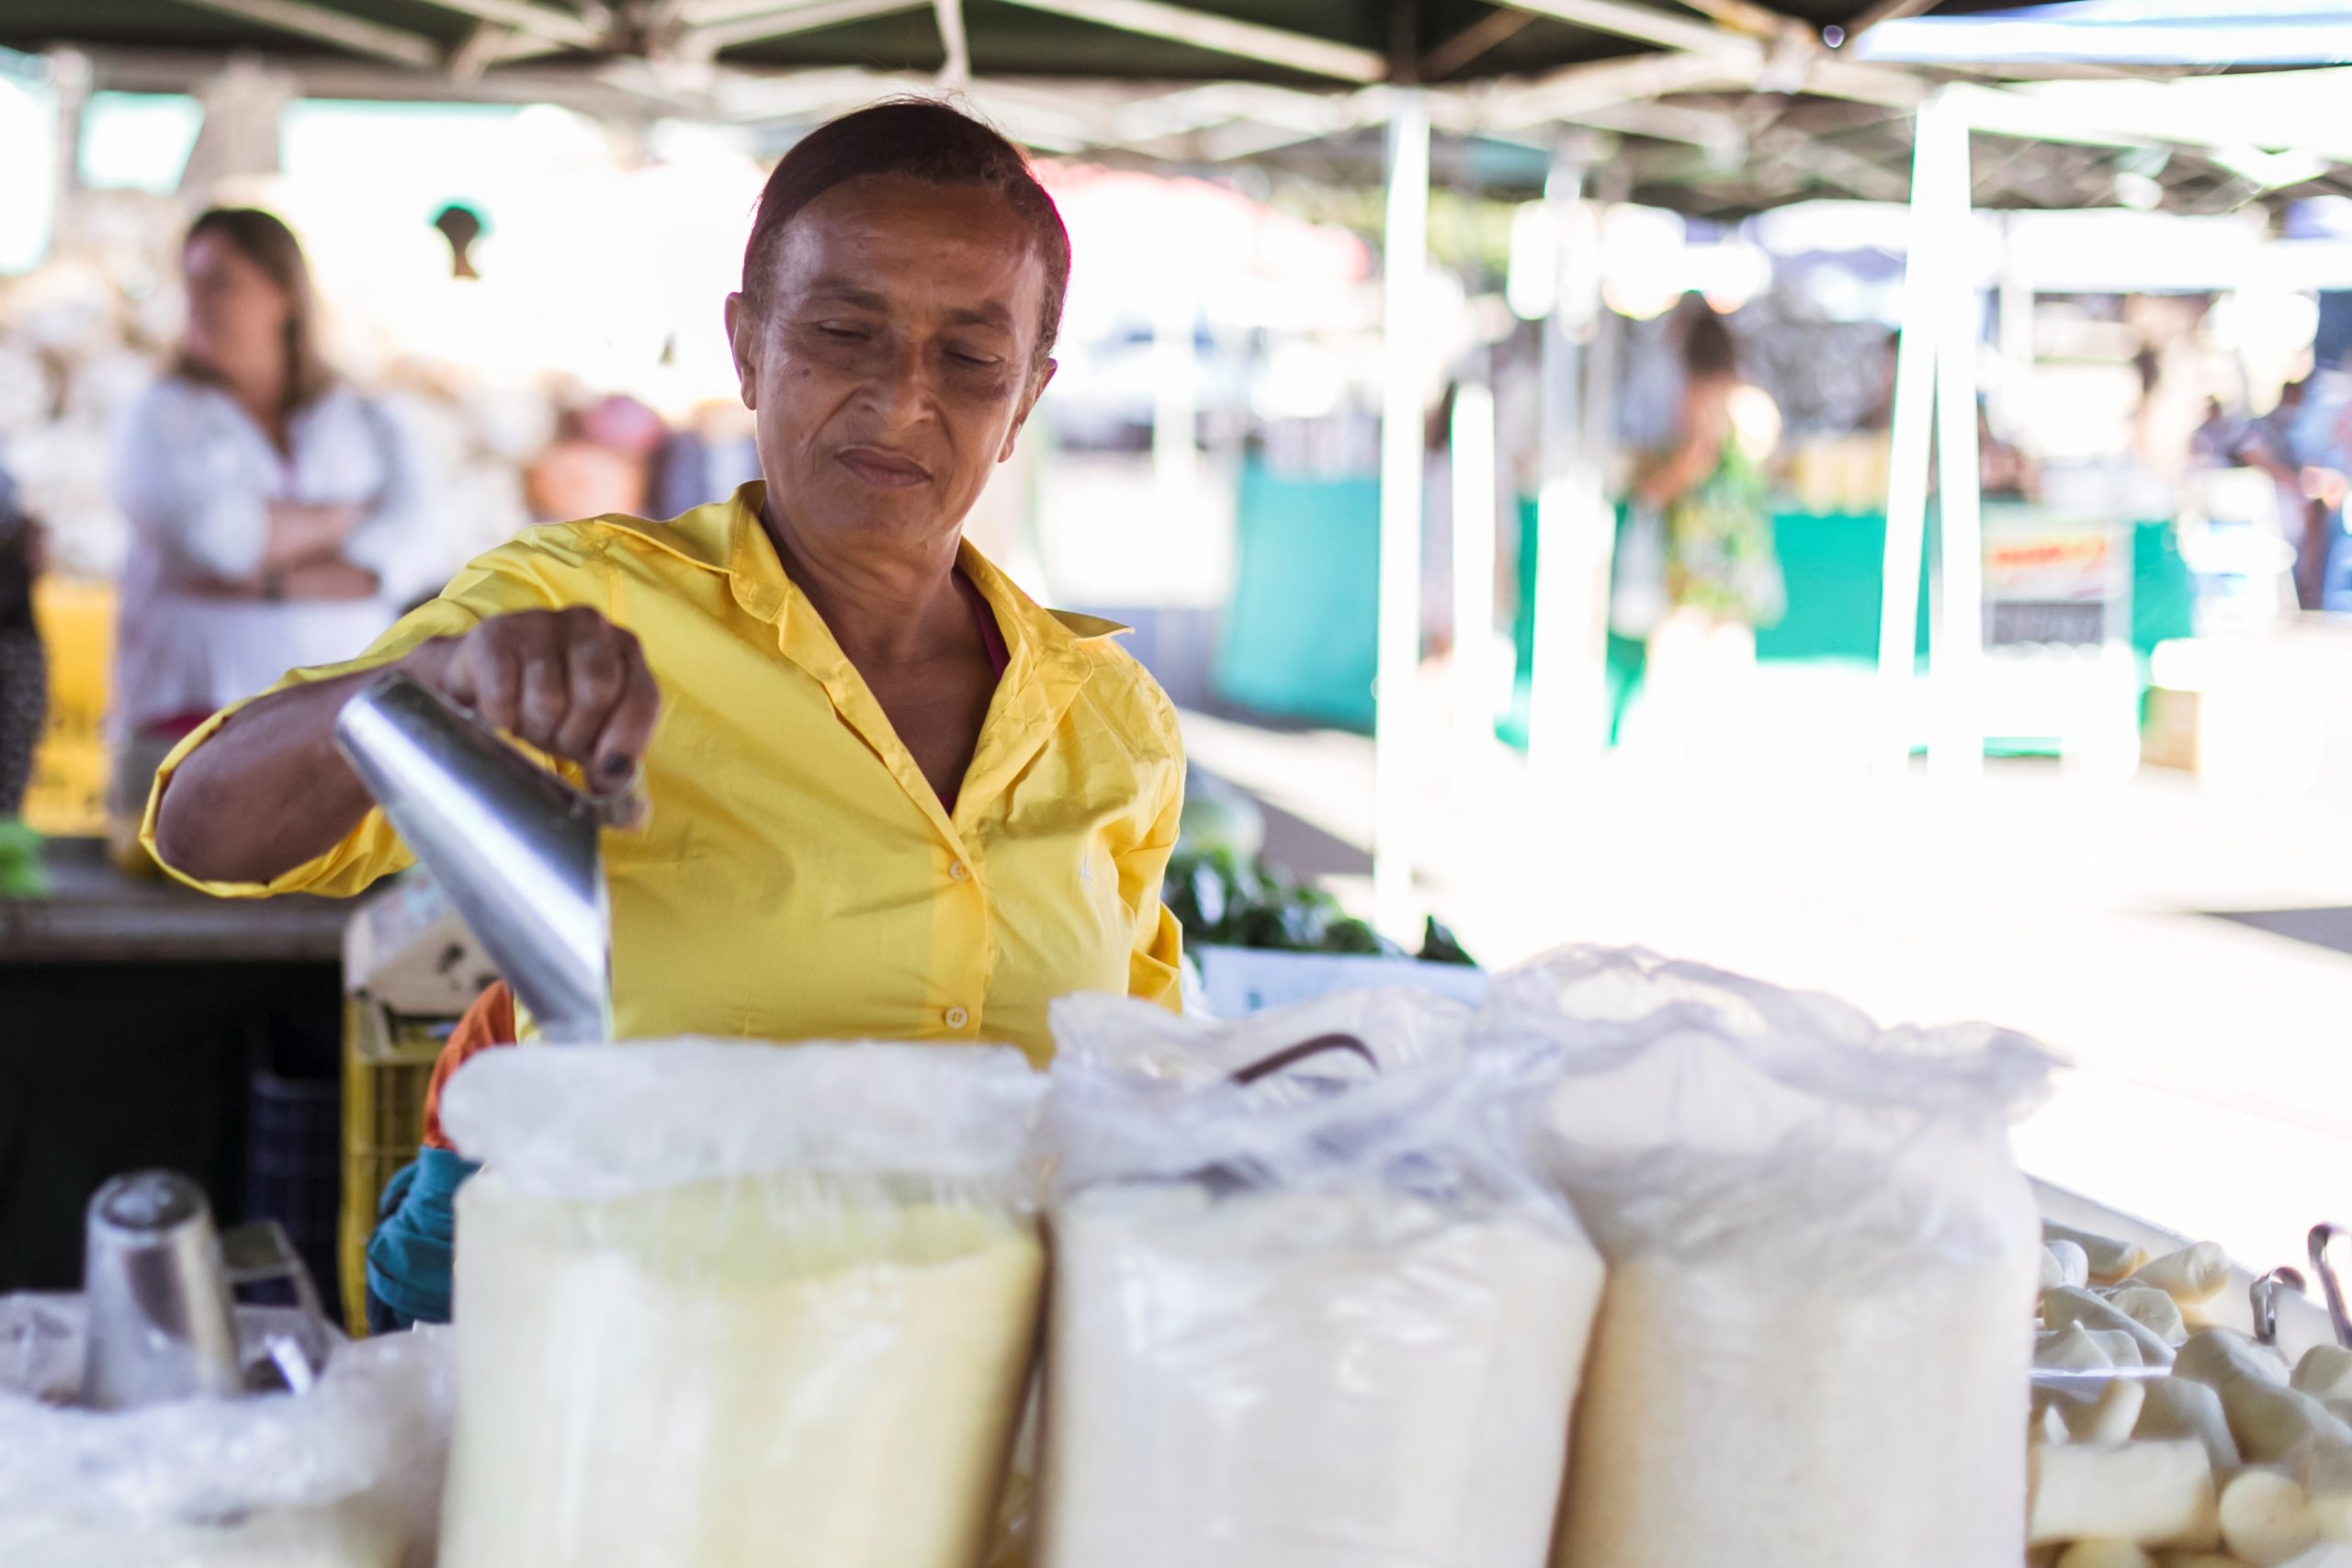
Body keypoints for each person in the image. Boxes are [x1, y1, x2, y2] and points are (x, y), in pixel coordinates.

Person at [145, 101, 1188, 1318]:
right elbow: (204, 829)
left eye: (969, 358)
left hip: (987, 1421)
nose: (902, 399)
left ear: (1026, 399)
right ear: (746, 347)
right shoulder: (579, 606)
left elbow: (1137, 1086)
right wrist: (433, 685)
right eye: (845, 331)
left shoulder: (1111, 717)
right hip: (638, 1399)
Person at [108, 209, 437, 860]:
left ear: (283, 293)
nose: (198, 302)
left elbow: (419, 544)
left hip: (342, 734)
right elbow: (216, 541)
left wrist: (263, 576)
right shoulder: (158, 416)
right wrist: (348, 516)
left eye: (221, 282)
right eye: (191, 282)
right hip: (188, 728)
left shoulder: (362, 416)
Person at [1629, 302, 1781, 754]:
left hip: (1701, 539)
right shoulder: (1757, 402)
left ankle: (1666, 741)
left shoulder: (1699, 397)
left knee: (1680, 633)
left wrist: (1655, 488)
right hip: (1743, 538)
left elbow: (1694, 461)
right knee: (1731, 635)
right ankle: (1727, 743)